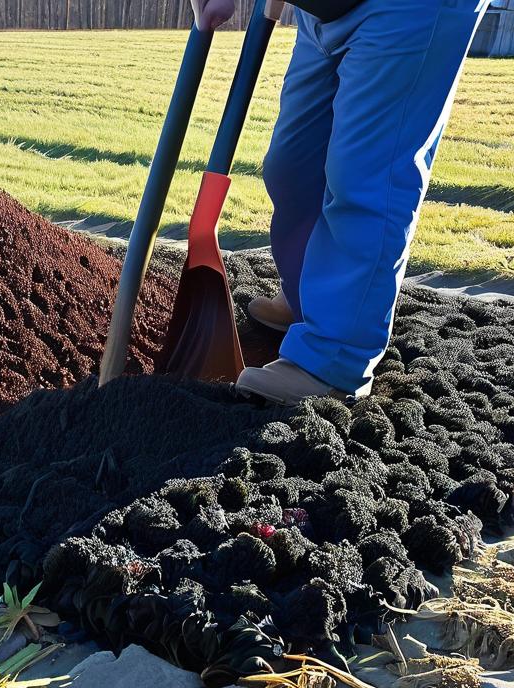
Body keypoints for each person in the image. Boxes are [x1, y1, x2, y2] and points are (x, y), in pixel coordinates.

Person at [192, 0, 489, 405]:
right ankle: (307, 299)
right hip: (322, 10)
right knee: (291, 167)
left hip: (408, 9)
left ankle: (332, 358)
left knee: (364, 178)